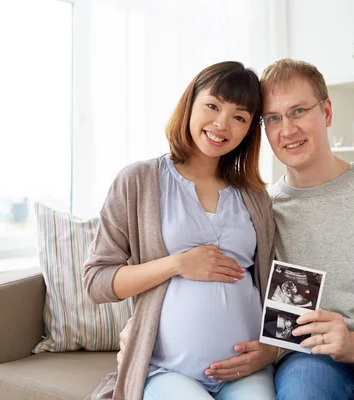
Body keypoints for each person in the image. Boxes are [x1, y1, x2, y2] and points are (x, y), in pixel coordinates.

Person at [118, 58, 354, 399]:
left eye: (298, 111)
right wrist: (143, 335)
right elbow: (248, 301)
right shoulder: (261, 209)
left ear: (326, 112)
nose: (287, 129)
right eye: (273, 119)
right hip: (309, 356)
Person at [83, 61, 278, 400]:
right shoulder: (138, 181)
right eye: (213, 105)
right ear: (190, 103)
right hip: (167, 370)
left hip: (245, 370)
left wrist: (272, 350)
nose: (222, 124)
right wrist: (177, 264)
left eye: (239, 117)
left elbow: (278, 282)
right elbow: (97, 282)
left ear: (249, 130)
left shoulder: (255, 196)